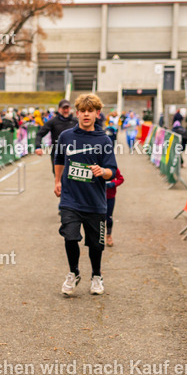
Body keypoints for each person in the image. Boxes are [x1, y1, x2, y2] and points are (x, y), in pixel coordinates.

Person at [54, 93, 118, 296]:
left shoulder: (104, 140)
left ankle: (96, 276)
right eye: (82, 111)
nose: (86, 114)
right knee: (70, 236)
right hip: (70, 199)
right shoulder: (66, 136)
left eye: (90, 111)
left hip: (95, 201)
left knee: (96, 244)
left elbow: (112, 171)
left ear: (97, 113)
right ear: (77, 113)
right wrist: (57, 181)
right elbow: (59, 160)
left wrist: (102, 171)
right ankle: (73, 273)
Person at [105, 166, 125, 247]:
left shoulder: (113, 167)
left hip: (110, 197)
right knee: (96, 218)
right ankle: (97, 237)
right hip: (97, 197)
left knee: (109, 218)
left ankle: (108, 235)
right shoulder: (96, 166)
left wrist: (114, 184)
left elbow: (121, 179)